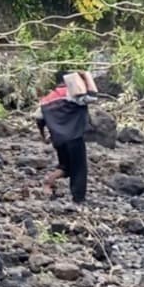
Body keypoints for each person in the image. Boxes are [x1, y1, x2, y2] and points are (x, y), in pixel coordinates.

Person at [38, 70, 98, 203]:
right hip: (74, 137)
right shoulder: (72, 93)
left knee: (66, 167)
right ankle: (78, 199)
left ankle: (49, 181)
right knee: (79, 169)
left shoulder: (47, 98)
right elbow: (92, 97)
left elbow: (39, 118)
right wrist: (87, 76)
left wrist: (43, 135)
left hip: (58, 140)